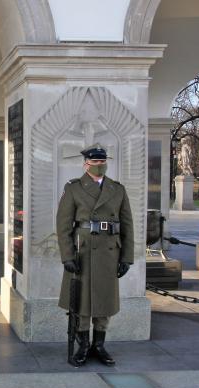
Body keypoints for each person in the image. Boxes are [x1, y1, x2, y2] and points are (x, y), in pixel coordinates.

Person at [56, 143, 134, 367]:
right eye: (95, 162)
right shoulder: (74, 188)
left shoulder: (117, 189)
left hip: (110, 253)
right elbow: (63, 226)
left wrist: (126, 257)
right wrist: (67, 256)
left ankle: (99, 345)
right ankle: (82, 345)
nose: (99, 165)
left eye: (102, 162)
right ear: (86, 164)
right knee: (81, 302)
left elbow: (127, 225)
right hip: (83, 252)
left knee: (104, 301)